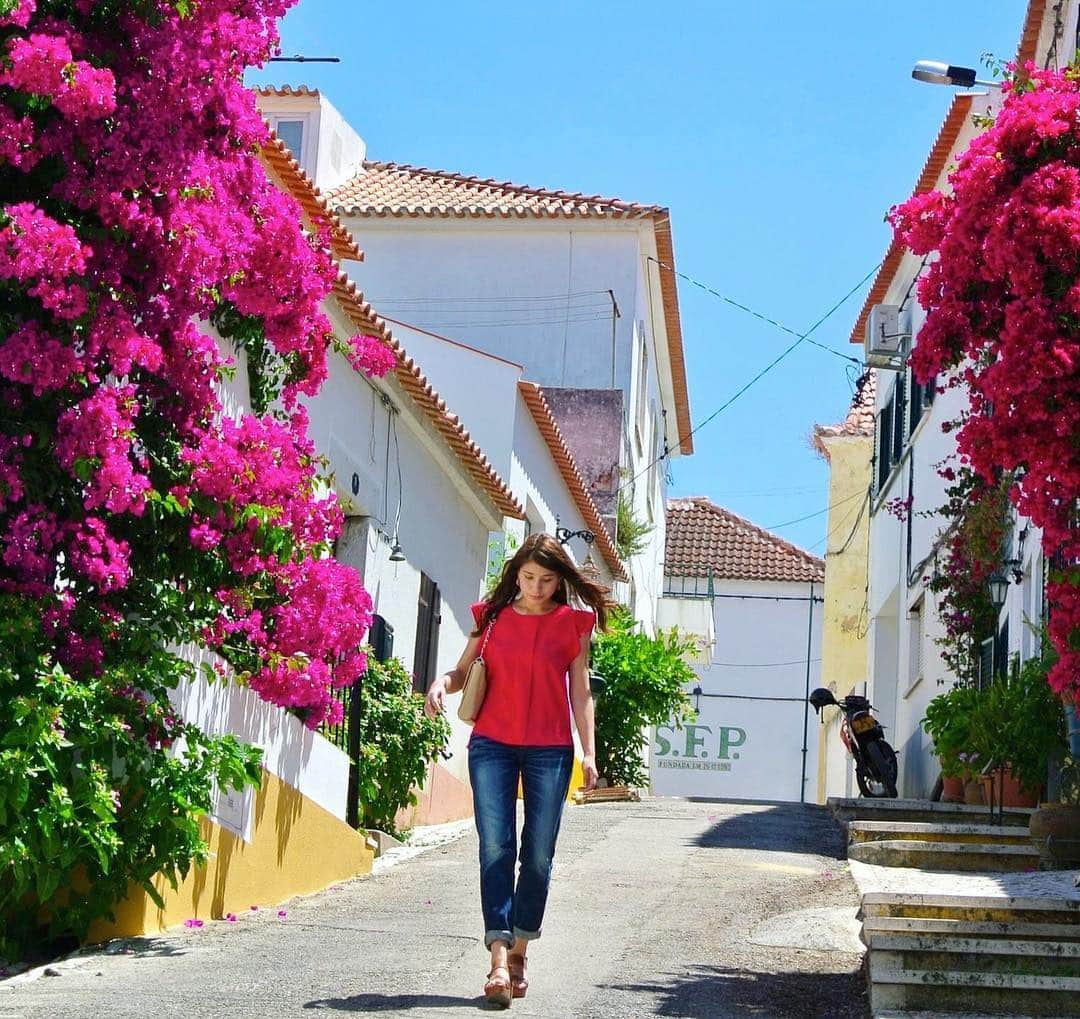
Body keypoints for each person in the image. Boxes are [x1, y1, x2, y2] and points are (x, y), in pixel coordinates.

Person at [424, 532, 608, 1008]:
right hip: (492, 745)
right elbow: (464, 671)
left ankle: (522, 949)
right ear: (516, 575)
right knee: (495, 848)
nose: (537, 587)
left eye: (547, 579)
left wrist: (589, 751)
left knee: (540, 855)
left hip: (550, 749)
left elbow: (581, 692)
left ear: (559, 579)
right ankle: (499, 960)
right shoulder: (492, 617)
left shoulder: (572, 624)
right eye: (528, 577)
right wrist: (442, 683)